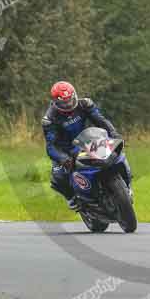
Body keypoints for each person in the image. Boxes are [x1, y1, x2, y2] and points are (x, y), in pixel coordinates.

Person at [41, 81, 126, 210]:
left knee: (114, 152)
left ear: (74, 95)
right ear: (55, 102)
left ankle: (126, 182)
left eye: (70, 100)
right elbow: (50, 145)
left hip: (87, 140)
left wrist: (113, 132)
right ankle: (71, 198)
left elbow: (100, 120)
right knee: (58, 176)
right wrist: (63, 158)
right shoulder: (50, 119)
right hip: (65, 150)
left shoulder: (85, 104)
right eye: (64, 103)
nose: (69, 104)